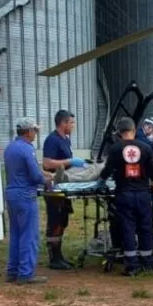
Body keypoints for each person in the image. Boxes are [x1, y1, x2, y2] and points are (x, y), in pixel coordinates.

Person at [98, 117, 153, 276]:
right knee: (146, 227)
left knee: (127, 227)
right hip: (142, 194)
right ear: (133, 130)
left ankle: (131, 266)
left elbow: (107, 171)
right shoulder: (146, 148)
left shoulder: (115, 149)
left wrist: (100, 182)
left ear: (119, 133)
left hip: (124, 194)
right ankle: (148, 262)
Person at [4, 117, 53, 284]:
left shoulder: (10, 148)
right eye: (35, 130)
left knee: (16, 234)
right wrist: (47, 181)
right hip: (25, 196)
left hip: (12, 195)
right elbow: (34, 175)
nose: (36, 133)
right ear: (28, 132)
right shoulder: (27, 149)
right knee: (29, 235)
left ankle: (12, 271)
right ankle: (26, 273)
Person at [41, 109, 86, 269]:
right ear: (63, 123)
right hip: (54, 187)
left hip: (64, 186)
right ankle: (54, 258)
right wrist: (69, 161)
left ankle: (59, 255)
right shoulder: (52, 140)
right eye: (71, 123)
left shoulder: (65, 139)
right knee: (55, 220)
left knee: (63, 220)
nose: (73, 126)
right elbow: (47, 163)